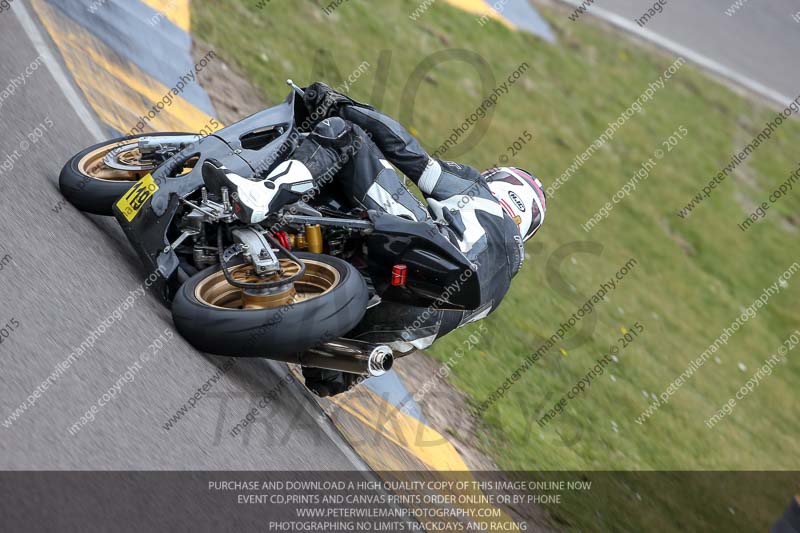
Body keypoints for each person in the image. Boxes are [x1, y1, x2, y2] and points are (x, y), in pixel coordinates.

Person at [202, 82, 547, 396]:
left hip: (419, 255)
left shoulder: (479, 192)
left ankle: (262, 198)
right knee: (327, 377)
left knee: (345, 136)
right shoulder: (499, 290)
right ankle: (337, 360)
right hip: (391, 329)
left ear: (499, 182)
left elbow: (410, 156)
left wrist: (344, 106)